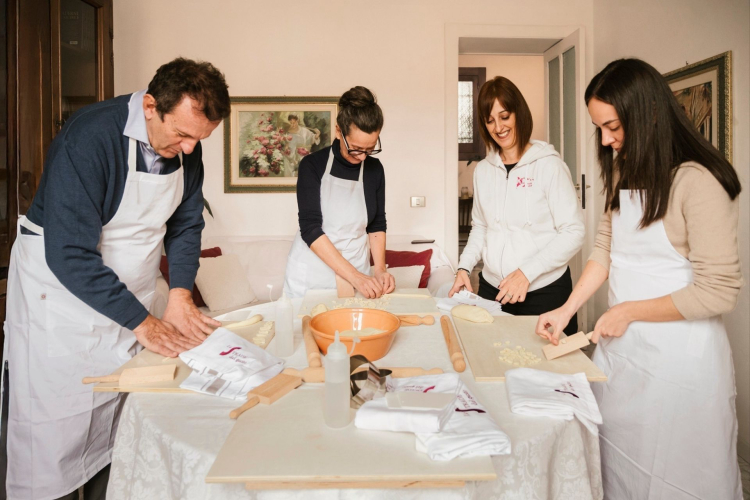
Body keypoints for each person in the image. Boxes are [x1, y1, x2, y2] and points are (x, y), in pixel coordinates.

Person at [2, 57, 230, 499]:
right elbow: (68, 253)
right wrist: (145, 323)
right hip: (61, 303)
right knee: (54, 437)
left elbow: (185, 226)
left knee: (118, 429)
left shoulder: (186, 149)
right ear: (149, 105)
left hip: (129, 296)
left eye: (198, 139)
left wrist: (180, 294)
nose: (189, 149)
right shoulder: (91, 137)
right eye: (182, 134)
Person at [536, 58, 743, 499]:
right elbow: (605, 252)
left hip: (681, 364)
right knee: (621, 466)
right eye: (600, 129)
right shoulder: (624, 170)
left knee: (678, 475)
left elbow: (718, 291)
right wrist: (566, 309)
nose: (607, 140)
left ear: (647, 114)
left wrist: (629, 311)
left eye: (613, 126)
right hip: (624, 353)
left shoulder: (699, 182)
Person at [450, 76, 584, 334]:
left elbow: (573, 232)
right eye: (490, 120)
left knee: (549, 371)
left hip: (544, 290)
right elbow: (480, 226)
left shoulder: (549, 165)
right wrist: (464, 267)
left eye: (504, 116)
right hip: (494, 290)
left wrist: (526, 273)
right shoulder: (484, 171)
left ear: (518, 114)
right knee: (496, 363)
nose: (498, 127)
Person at [283, 86, 394, 299]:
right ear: (337, 131)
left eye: (370, 149)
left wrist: (379, 269)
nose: (362, 157)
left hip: (359, 273)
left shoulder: (374, 170)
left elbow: (377, 224)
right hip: (313, 274)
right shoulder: (312, 165)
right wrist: (355, 276)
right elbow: (310, 228)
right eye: (355, 148)